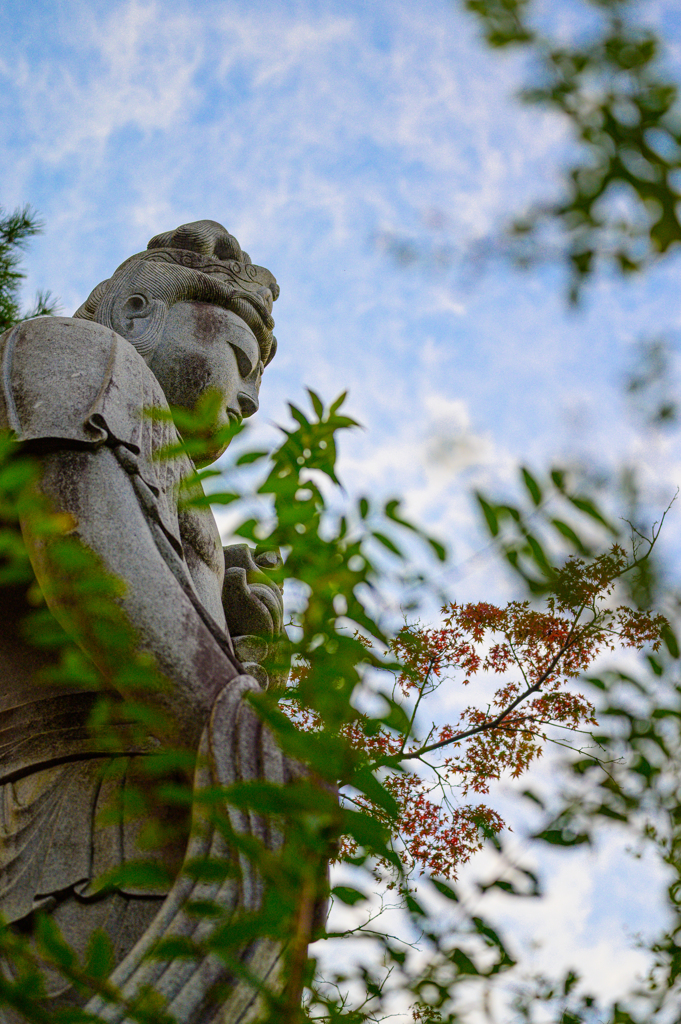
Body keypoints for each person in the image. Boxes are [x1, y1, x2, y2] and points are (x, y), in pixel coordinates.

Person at [0, 220, 286, 1011]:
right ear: (136, 312)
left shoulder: (175, 472)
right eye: (239, 360)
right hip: (70, 804)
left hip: (149, 805)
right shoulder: (78, 352)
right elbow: (84, 556)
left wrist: (241, 632)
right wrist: (250, 754)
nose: (250, 401)